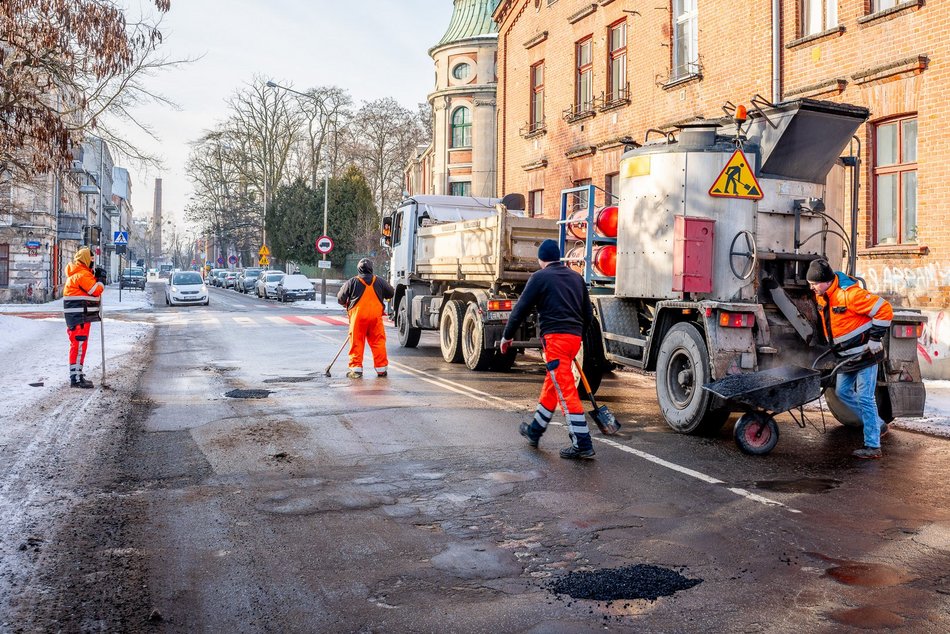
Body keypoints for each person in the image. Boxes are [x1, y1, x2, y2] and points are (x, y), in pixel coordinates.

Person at [500, 239, 596, 459]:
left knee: (566, 391)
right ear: (559, 257)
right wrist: (578, 336)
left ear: (541, 260)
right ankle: (535, 431)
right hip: (573, 341)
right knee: (553, 386)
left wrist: (506, 337)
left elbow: (520, 310)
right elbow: (588, 315)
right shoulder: (576, 278)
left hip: (555, 341)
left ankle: (582, 443)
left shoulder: (539, 277)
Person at [807, 258, 893, 459]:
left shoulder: (851, 295)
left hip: (866, 353)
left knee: (865, 397)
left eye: (814, 284)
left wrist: (875, 338)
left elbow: (885, 309)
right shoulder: (823, 296)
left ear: (827, 281)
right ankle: (877, 424)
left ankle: (873, 446)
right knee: (843, 391)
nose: (812, 289)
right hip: (847, 356)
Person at [337, 258, 395, 378]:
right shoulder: (379, 281)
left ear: (358, 269)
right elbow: (391, 293)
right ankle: (381, 369)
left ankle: (356, 369)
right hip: (375, 319)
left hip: (358, 319)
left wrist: (346, 303)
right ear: (371, 269)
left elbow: (340, 298)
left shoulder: (352, 282)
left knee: (357, 342)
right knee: (378, 342)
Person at [63, 247, 106, 388]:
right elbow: (95, 290)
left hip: (79, 317)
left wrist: (95, 277)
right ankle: (75, 378)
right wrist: (100, 280)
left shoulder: (79, 274)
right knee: (78, 346)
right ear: (86, 260)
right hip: (79, 317)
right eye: (91, 260)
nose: (93, 263)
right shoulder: (81, 275)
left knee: (79, 346)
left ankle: (78, 373)